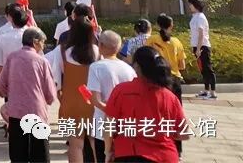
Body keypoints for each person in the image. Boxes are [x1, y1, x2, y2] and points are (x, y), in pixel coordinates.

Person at [104, 46, 189, 162]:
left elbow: (109, 126)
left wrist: (108, 151)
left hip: (129, 154)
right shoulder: (170, 97)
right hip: (165, 156)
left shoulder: (121, 91)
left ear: (137, 66)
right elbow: (184, 134)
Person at [0, 27, 57, 163]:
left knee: (18, 155)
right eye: (42, 42)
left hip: (16, 113)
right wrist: (48, 100)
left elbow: (1, 87)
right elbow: (50, 93)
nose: (43, 46)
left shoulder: (12, 58)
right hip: (37, 112)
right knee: (40, 155)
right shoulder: (42, 61)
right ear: (35, 42)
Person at [49, 17, 99, 163]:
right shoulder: (96, 51)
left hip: (70, 102)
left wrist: (60, 97)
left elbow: (56, 79)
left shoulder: (62, 51)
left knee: (75, 144)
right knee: (94, 141)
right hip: (92, 102)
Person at [86, 31, 136, 162]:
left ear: (101, 45)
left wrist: (112, 112)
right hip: (125, 126)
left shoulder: (96, 67)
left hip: (102, 126)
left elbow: (95, 100)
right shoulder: (129, 69)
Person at [188, 0, 216, 99]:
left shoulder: (200, 17)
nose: (189, 6)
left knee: (208, 69)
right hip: (197, 46)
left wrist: (199, 48)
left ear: (196, 5)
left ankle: (213, 93)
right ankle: (206, 90)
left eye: (191, 4)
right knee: (203, 70)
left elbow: (201, 34)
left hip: (203, 46)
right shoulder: (195, 16)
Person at [0, 4, 28, 82]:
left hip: (9, 78)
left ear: (11, 18)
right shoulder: (31, 35)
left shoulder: (2, 38)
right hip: (28, 78)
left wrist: (0, 83)